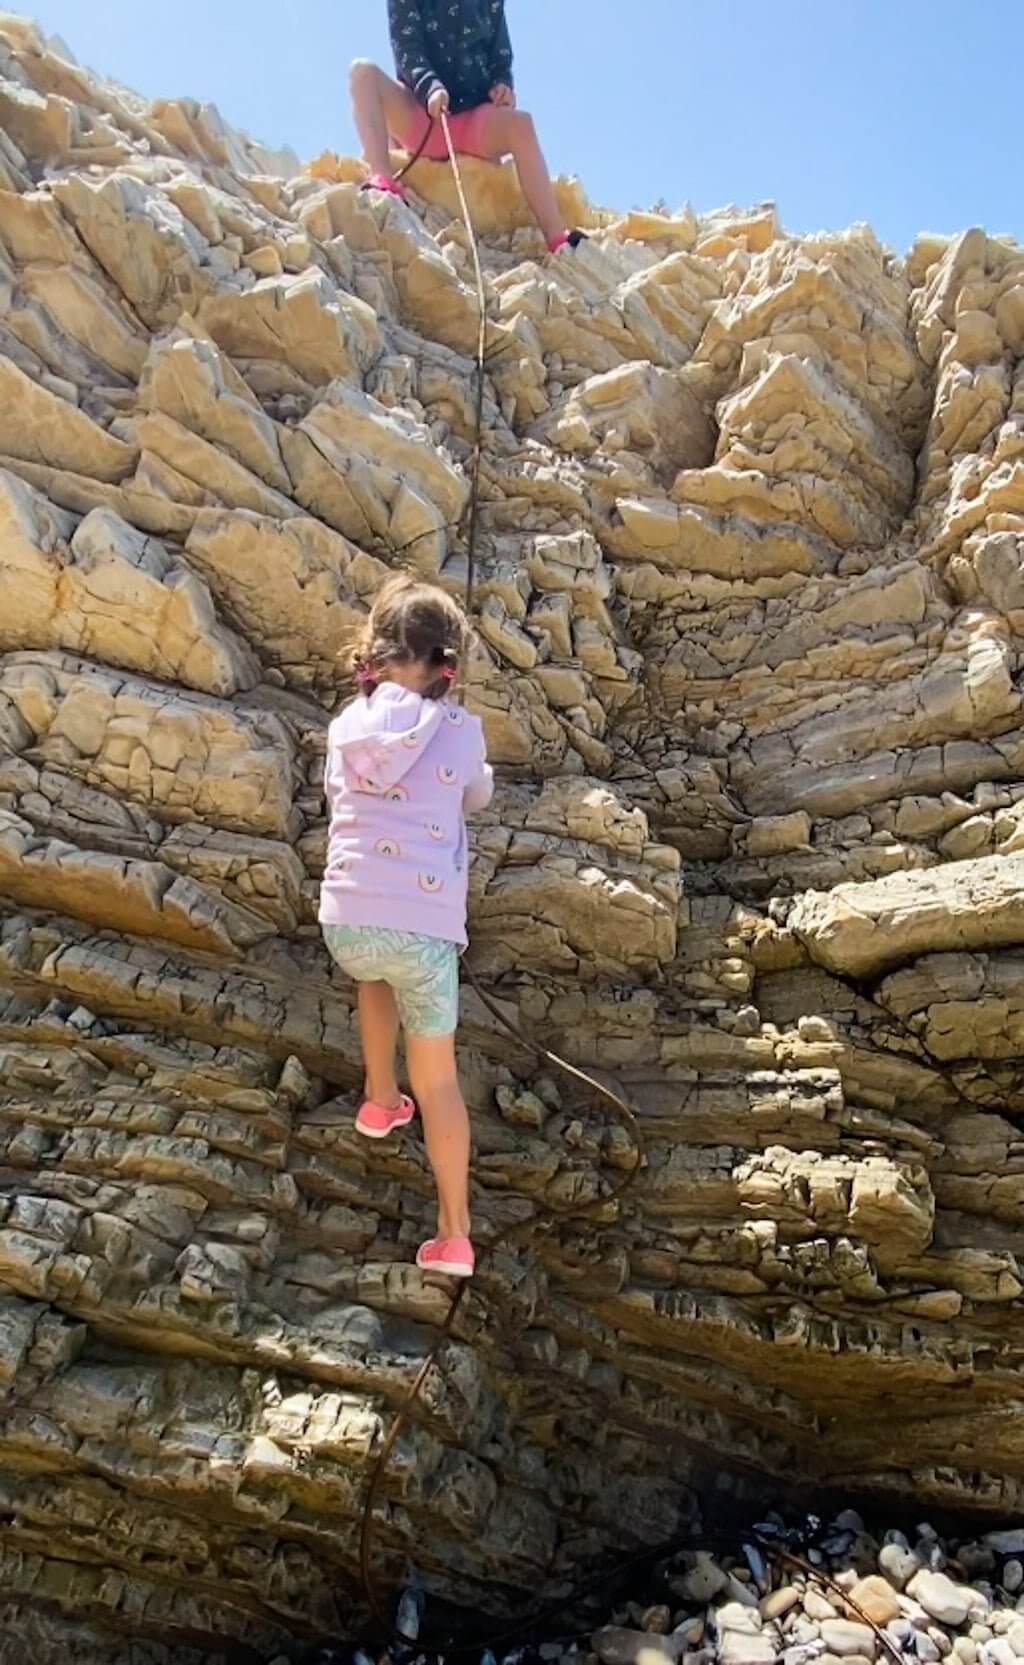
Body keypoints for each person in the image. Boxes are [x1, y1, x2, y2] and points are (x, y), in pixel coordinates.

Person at [320, 576, 494, 1279]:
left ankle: (377, 1098)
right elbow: (476, 794)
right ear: (445, 663)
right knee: (442, 1083)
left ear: (377, 651)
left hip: (349, 916)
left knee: (372, 972)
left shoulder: (345, 724)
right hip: (424, 930)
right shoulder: (460, 729)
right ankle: (454, 1234)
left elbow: (338, 794)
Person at [350, 0, 587, 255]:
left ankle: (555, 237)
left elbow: (500, 56)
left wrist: (502, 86)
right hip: (422, 117)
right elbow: (408, 50)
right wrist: (431, 87)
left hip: (473, 122)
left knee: (522, 124)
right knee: (362, 72)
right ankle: (383, 178)